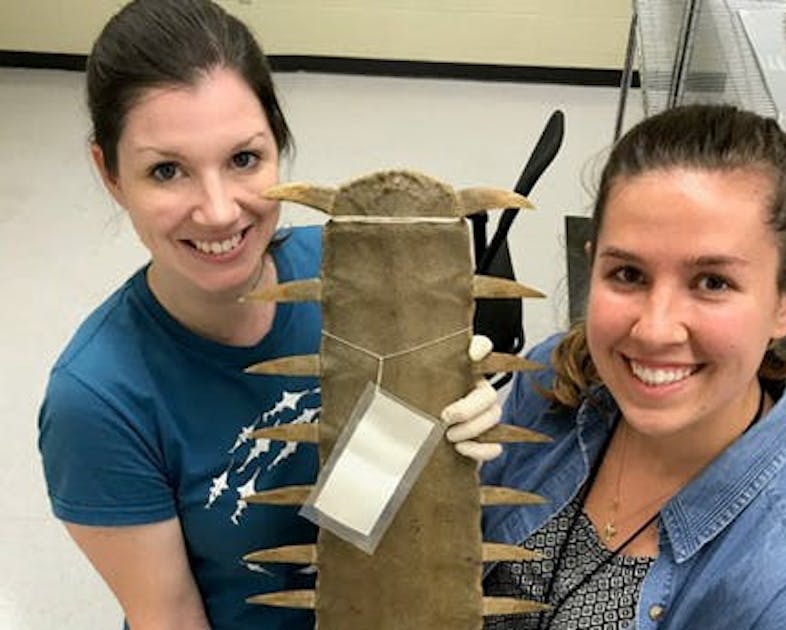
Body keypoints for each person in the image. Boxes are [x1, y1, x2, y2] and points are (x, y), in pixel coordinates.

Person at [37, 1, 499, 628]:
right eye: (167, 170)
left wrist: (447, 414)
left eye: (244, 159)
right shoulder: (96, 400)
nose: (220, 211)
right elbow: (169, 617)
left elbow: (365, 509)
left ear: (278, 145)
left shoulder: (340, 275)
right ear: (110, 174)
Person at [482, 104, 786, 629]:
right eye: (628, 273)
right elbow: (370, 539)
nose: (654, 329)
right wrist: (405, 445)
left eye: (712, 282)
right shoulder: (555, 379)